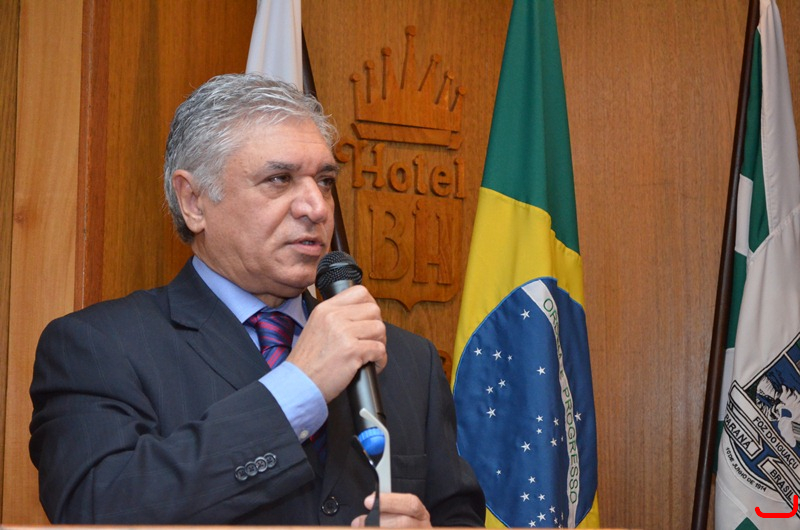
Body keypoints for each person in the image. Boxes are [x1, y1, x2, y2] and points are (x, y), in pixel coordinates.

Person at [28, 73, 485, 526]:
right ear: (194, 202)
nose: (317, 208)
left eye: (325, 180)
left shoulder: (406, 358)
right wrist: (300, 385)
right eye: (279, 179)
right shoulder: (97, 347)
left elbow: (459, 516)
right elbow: (97, 506)